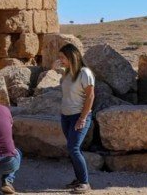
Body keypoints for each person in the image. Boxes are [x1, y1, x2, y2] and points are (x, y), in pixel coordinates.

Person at [56, 44, 95, 194]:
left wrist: (83, 118)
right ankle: (79, 179)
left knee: (74, 148)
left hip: (79, 116)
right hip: (65, 116)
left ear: (72, 56)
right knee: (72, 149)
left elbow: (91, 96)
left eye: (62, 57)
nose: (60, 60)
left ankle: (85, 183)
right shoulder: (67, 73)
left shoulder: (85, 73)